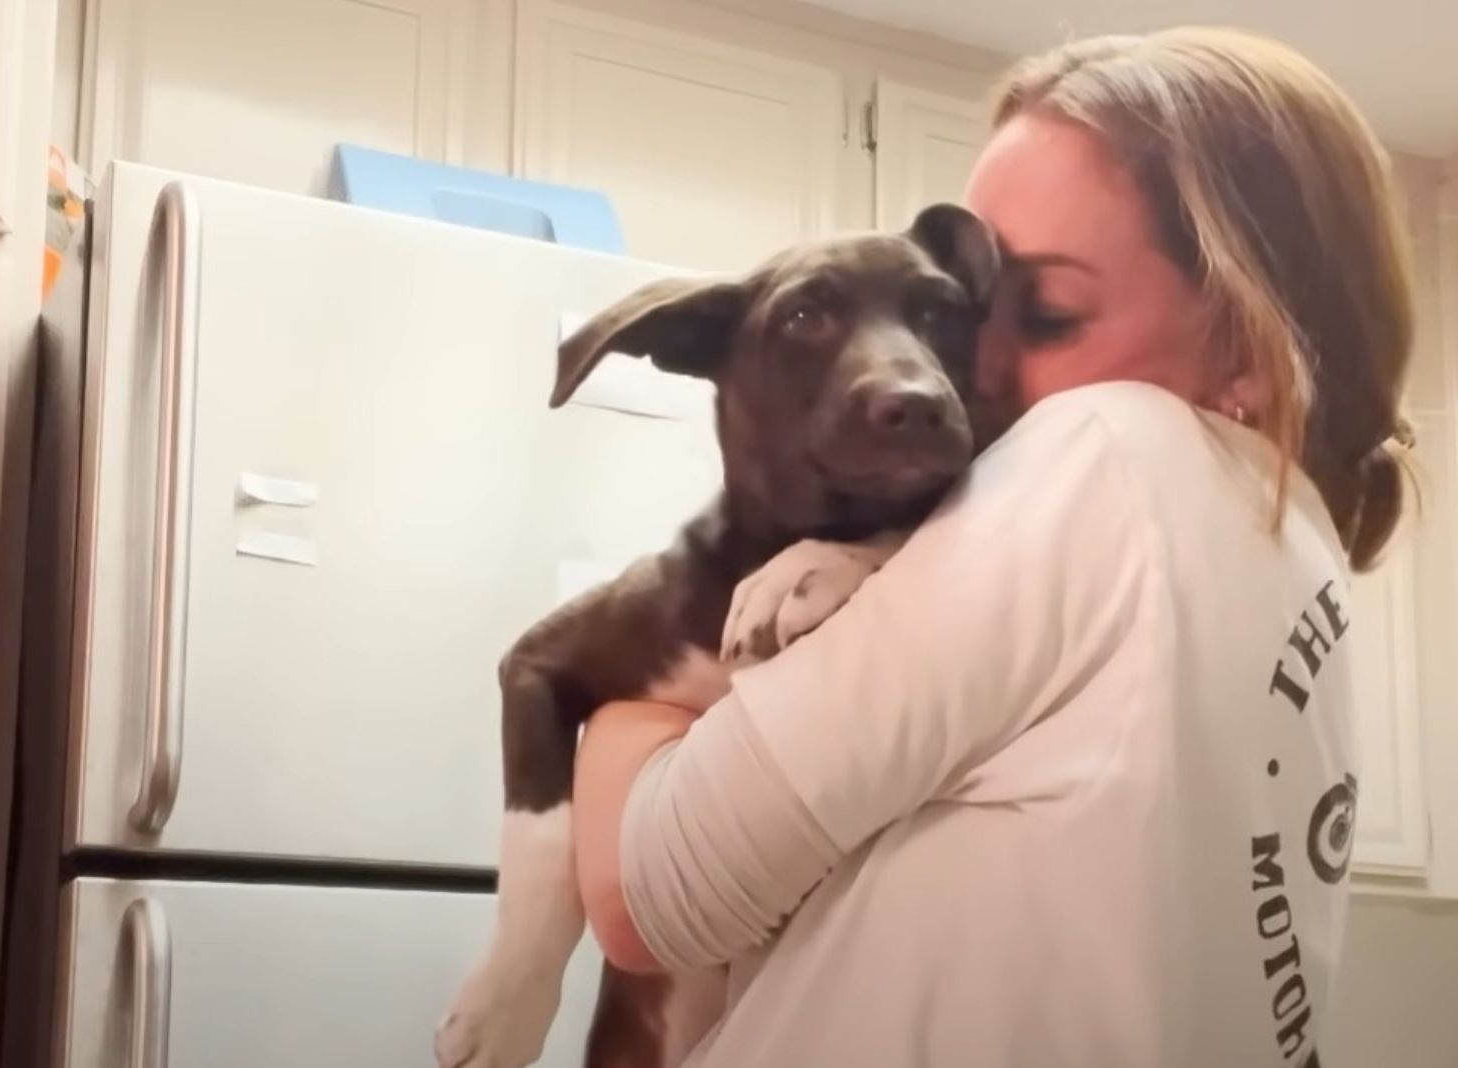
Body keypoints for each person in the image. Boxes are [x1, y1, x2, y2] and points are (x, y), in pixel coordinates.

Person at [572, 26, 1415, 1067]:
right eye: (968, 308)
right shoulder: (1291, 543)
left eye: (1050, 312)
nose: (964, 370)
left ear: (1247, 343)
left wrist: (623, 685)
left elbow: (647, 894)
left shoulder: (1105, 448)